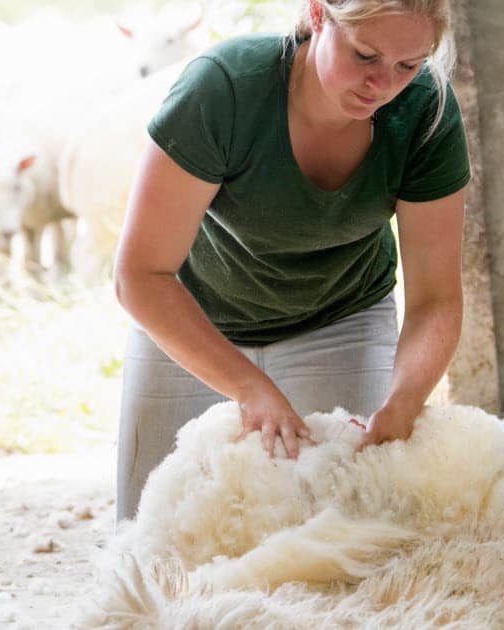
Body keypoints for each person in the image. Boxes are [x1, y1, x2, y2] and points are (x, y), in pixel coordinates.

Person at [113, 0, 470, 522]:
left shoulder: (424, 109)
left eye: (407, 65)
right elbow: (139, 276)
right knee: (156, 540)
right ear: (319, 15)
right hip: (195, 318)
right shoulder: (225, 88)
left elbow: (436, 298)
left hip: (340, 316)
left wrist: (402, 406)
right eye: (365, 54)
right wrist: (248, 387)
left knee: (350, 530)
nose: (383, 84)